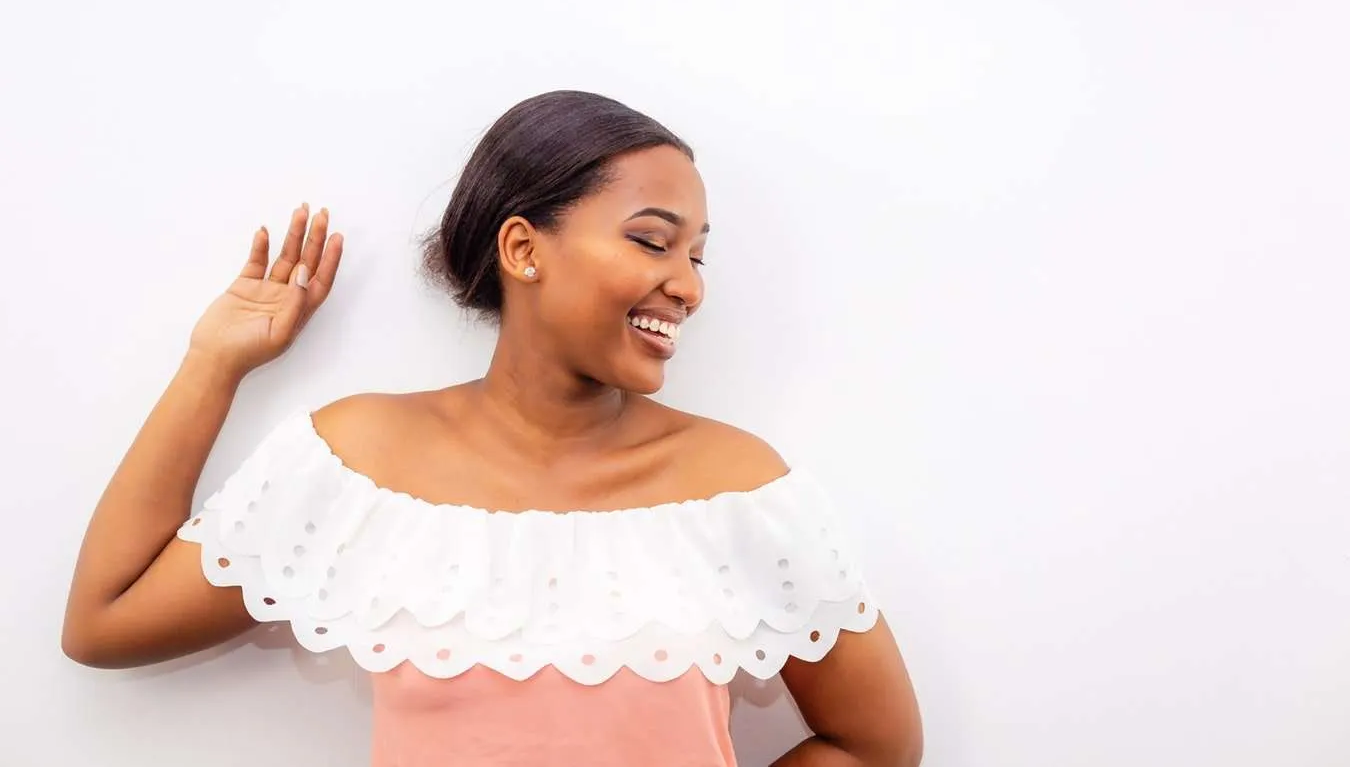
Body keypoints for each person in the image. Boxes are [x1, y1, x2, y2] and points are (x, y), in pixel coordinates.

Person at [61, 90, 924, 766]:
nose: (688, 286)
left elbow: (876, 743)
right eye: (653, 241)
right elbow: (105, 623)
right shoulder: (360, 464)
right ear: (522, 249)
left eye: (696, 255)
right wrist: (215, 362)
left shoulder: (741, 488)